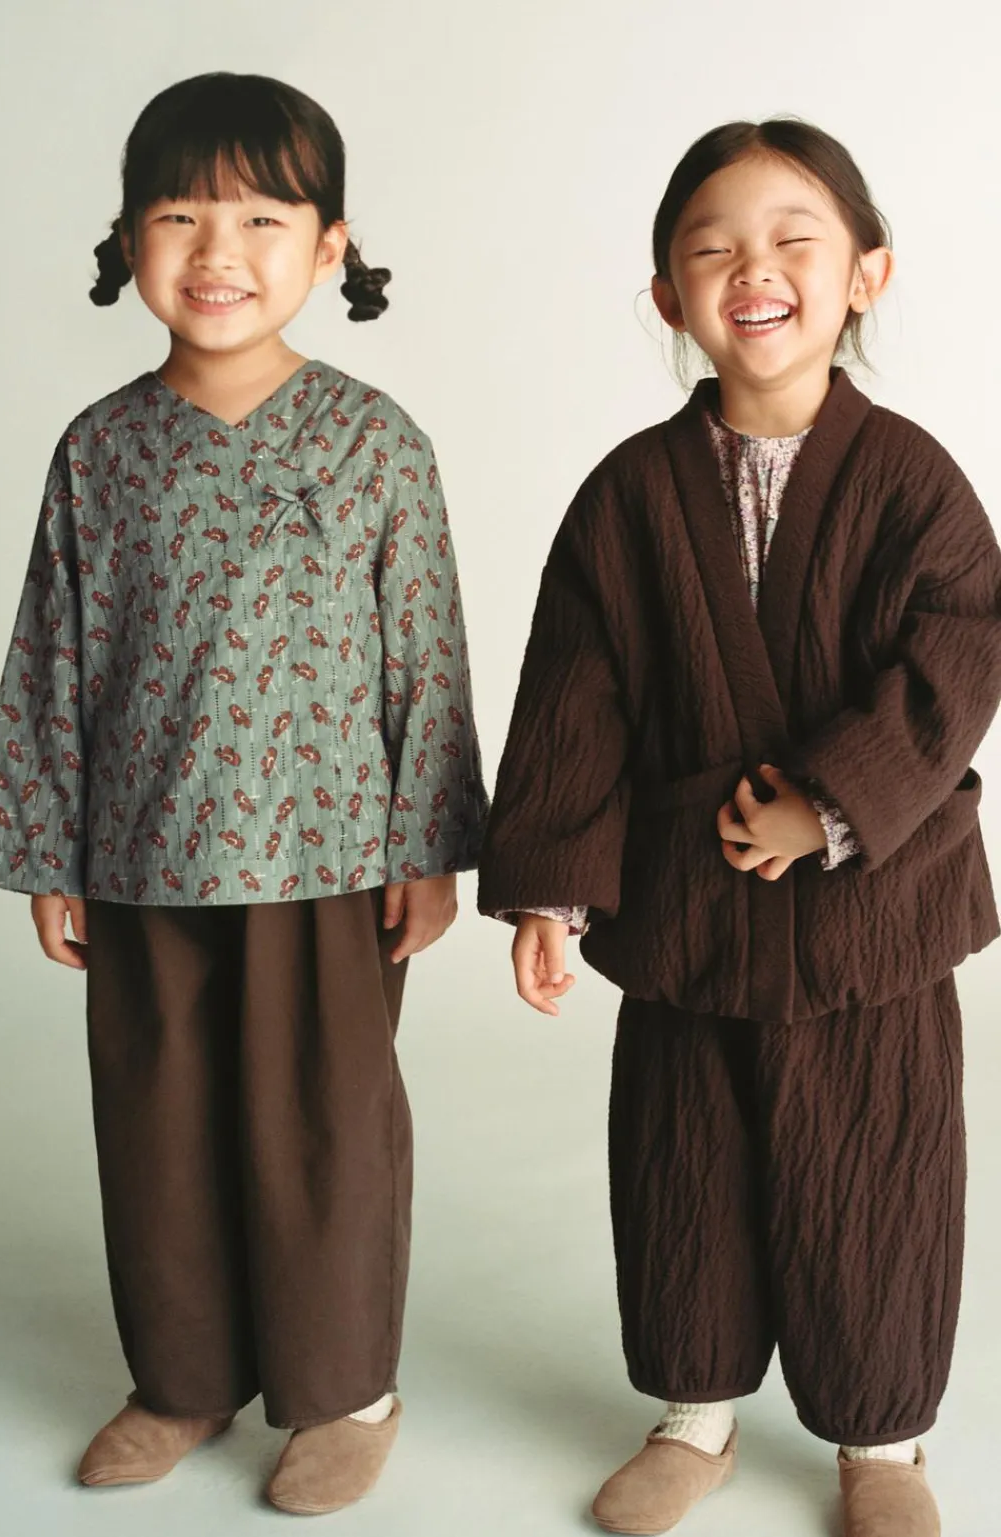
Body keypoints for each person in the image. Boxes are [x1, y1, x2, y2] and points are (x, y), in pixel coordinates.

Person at [477, 118, 1001, 1537]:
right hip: (689, 909)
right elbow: (576, 691)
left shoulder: (913, 481)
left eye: (792, 242)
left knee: (876, 1170)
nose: (752, 270)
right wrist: (554, 892)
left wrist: (827, 802)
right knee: (684, 1167)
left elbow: (960, 657)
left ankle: (882, 1441)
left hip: (870, 915)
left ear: (866, 274)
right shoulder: (627, 496)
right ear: (669, 296)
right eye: (711, 250)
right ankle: (693, 1415)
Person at [0, 70, 487, 1516]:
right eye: (179, 215)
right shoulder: (99, 450)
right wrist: (47, 850)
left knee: (324, 1135)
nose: (218, 249)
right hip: (143, 855)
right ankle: (183, 1376)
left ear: (330, 247)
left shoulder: (376, 442)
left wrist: (430, 849)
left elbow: (425, 656)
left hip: (330, 862)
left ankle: (344, 1390)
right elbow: (55, 654)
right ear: (129, 239)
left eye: (263, 217)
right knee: (158, 1129)